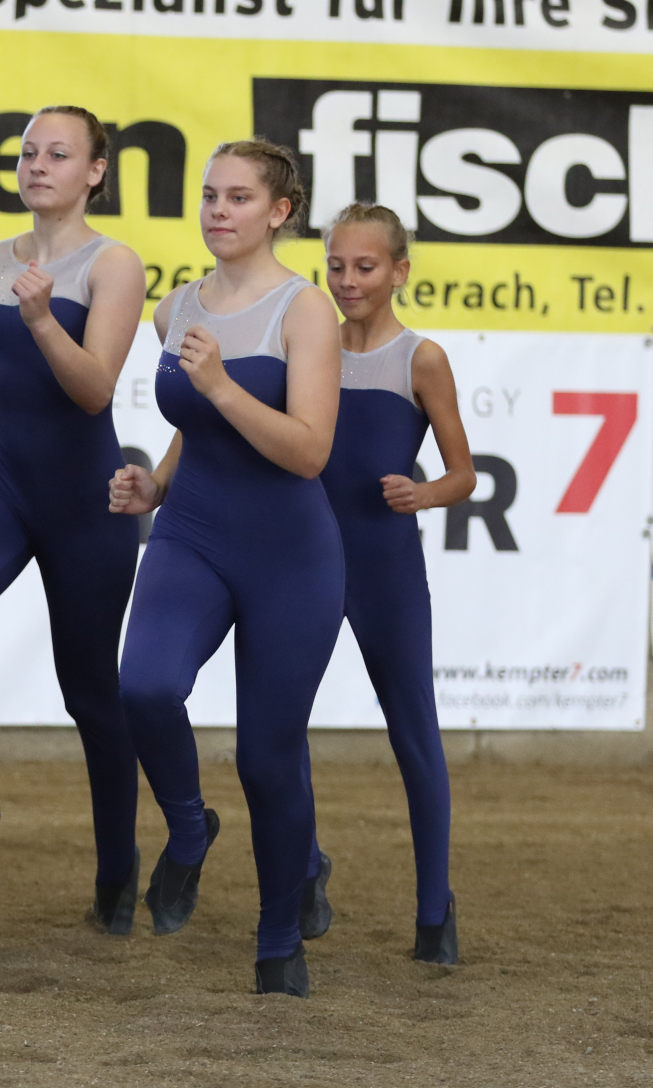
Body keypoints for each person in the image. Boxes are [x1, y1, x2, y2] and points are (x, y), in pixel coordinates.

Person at [108, 139, 342, 996]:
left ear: (279, 212)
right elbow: (195, 428)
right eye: (210, 194)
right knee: (143, 687)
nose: (218, 210)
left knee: (266, 757)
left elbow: (309, 451)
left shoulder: (305, 311)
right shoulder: (175, 308)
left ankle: (279, 937)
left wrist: (220, 387)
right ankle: (187, 826)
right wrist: (157, 484)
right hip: (192, 534)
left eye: (239, 197)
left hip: (290, 554)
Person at [0, 107, 146, 933]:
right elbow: (4, 374)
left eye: (59, 154)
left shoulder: (114, 264)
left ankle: (117, 875)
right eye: (28, 153)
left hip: (87, 500)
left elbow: (93, 390)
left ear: (95, 172)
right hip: (2, 486)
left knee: (91, 694)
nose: (38, 165)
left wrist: (44, 315)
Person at [309, 202, 475, 965]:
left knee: (414, 734)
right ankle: (303, 867)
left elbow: (464, 474)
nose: (348, 280)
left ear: (400, 271)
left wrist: (424, 492)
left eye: (365, 266)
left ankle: (434, 910)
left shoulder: (421, 359)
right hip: (306, 561)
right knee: (276, 726)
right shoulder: (306, 345)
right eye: (336, 266)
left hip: (386, 567)